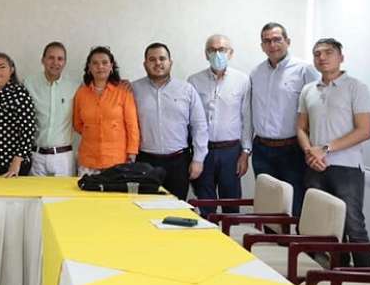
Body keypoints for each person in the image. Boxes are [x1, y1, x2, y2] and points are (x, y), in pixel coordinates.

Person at [297, 38, 370, 267]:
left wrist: (326, 148)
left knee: (353, 225)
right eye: (317, 54)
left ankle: (367, 281)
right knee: (322, 227)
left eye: (328, 52)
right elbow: (301, 128)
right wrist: (310, 152)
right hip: (315, 167)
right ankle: (334, 275)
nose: (322, 57)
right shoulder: (308, 90)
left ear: (341, 57)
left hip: (347, 168)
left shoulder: (357, 87)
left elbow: (364, 131)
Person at [250, 22, 318, 216]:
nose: (272, 45)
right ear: (262, 46)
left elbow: (317, 111)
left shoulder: (305, 70)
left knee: (294, 204)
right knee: (268, 205)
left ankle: (294, 246)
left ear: (287, 41)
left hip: (292, 149)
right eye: (267, 41)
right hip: (262, 149)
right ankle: (271, 244)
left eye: (277, 39)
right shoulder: (256, 73)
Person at [132, 42, 208, 201]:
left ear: (170, 62)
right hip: (145, 161)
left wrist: (198, 160)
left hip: (178, 162)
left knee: (176, 209)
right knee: (145, 209)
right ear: (145, 64)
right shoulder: (133, 90)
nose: (158, 63)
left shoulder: (186, 90)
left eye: (162, 58)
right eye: (152, 59)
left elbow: (199, 126)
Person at [187, 34, 252, 215]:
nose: (217, 53)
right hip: (203, 151)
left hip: (231, 152)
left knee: (231, 204)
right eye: (212, 50)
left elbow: (247, 118)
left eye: (222, 49)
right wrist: (195, 155)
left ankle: (229, 241)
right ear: (206, 54)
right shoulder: (193, 81)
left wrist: (245, 153)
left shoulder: (242, 80)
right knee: (205, 205)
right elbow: (191, 120)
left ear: (231, 53)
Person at [73, 46, 139, 176]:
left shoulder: (123, 92)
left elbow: (132, 126)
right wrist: (94, 130)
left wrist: (132, 153)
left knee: (115, 196)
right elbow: (77, 124)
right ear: (89, 67)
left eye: (104, 62)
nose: (100, 67)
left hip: (117, 160)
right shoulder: (81, 93)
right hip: (88, 160)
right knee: (87, 195)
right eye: (95, 63)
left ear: (111, 66)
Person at [23, 41, 80, 176]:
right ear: (43, 60)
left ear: (65, 62)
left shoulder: (75, 86)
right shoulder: (29, 83)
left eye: (60, 59)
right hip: (36, 155)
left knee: (62, 197)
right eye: (51, 58)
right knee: (36, 196)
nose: (55, 62)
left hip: (63, 157)